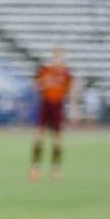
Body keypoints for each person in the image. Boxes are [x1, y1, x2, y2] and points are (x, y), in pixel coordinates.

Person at [30, 48, 74, 180]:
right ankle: (35, 167)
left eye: (61, 57)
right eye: (56, 56)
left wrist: (72, 106)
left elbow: (69, 91)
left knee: (58, 138)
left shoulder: (66, 74)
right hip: (46, 104)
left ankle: (56, 168)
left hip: (58, 105)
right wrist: (41, 86)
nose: (58, 59)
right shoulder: (45, 71)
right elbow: (36, 83)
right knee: (38, 135)